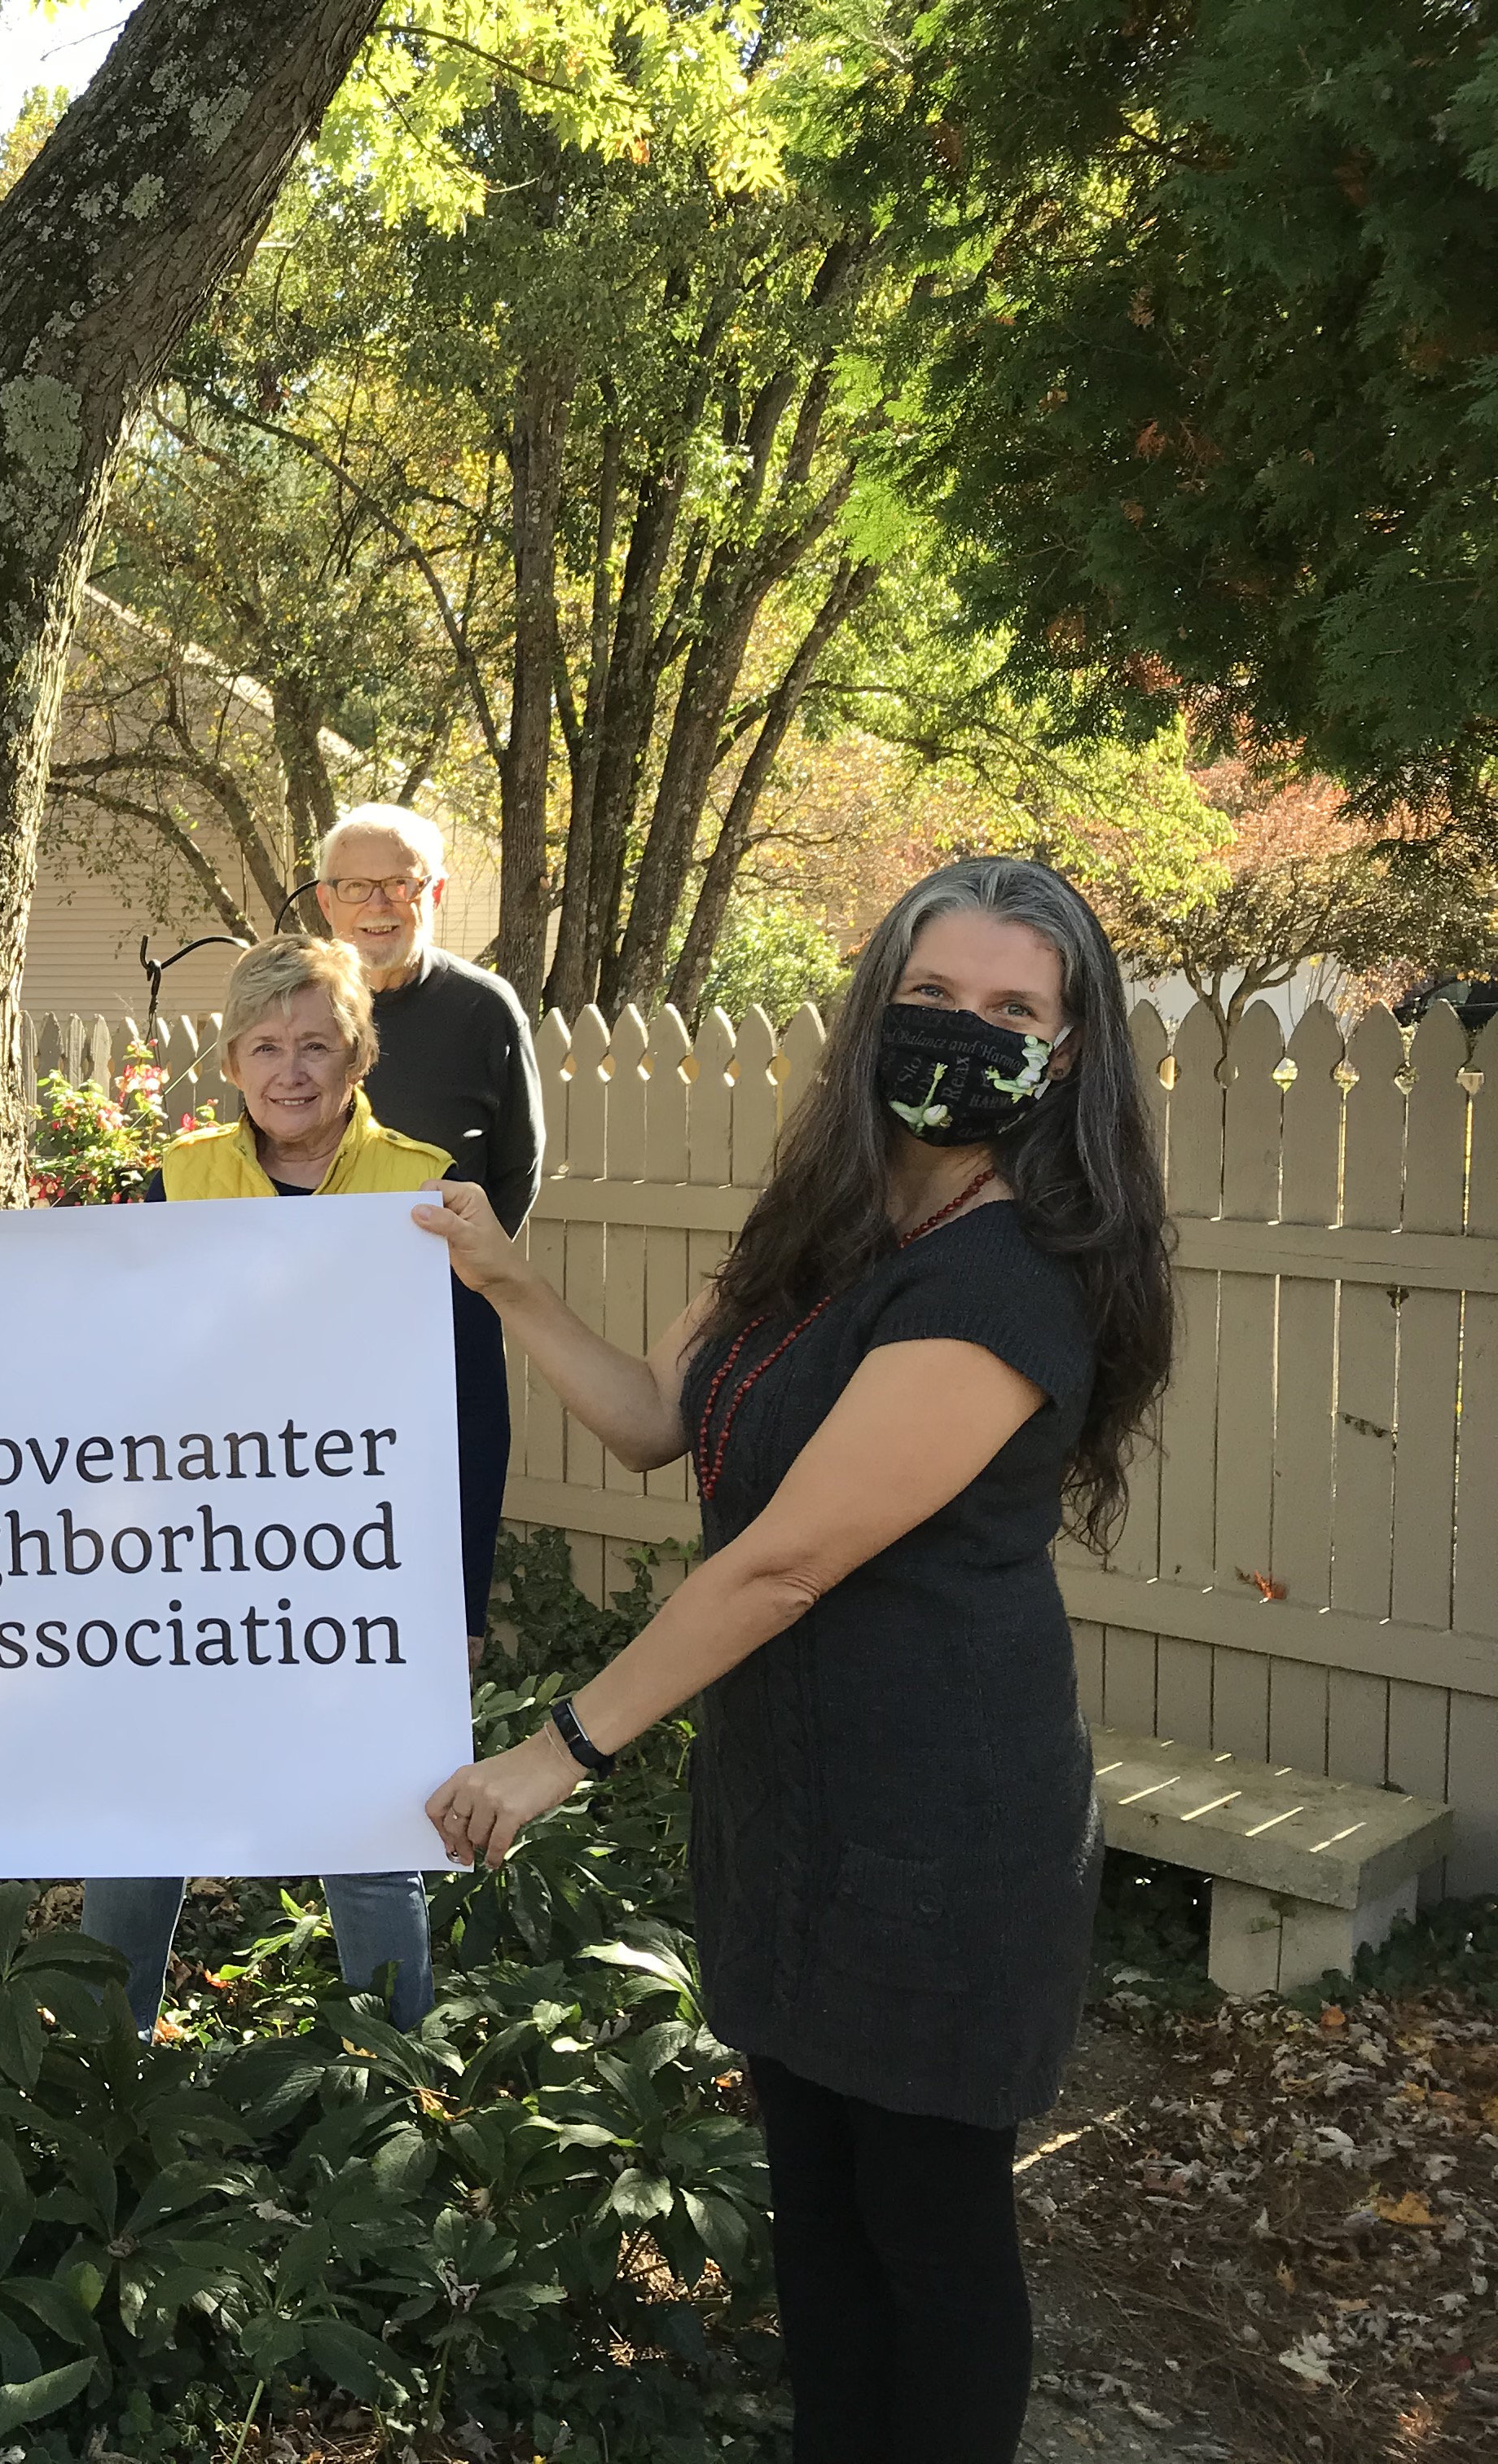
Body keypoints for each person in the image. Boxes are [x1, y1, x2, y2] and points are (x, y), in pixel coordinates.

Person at [416, 857, 1174, 2463]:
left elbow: (783, 1559)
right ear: (875, 1012)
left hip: (942, 1825)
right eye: (933, 998)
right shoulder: (813, 1224)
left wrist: (555, 1754)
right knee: (816, 2205)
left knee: (928, 2224)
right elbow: (650, 1427)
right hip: (789, 1795)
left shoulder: (1013, 1273)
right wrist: (507, 1279)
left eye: (1012, 1010)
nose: (966, 1033)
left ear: (1072, 1051)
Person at [85, 935, 455, 2036]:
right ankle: (112, 2065)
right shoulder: (174, 1180)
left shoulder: (425, 1184)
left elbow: (468, 1405)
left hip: (364, 1556)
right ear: (232, 1061)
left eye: (317, 1045)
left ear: (360, 1056)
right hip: (189, 1551)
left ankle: (390, 2080)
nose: (291, 1071)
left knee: (369, 1818)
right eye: (265, 1046)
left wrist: (463, 1596)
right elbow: (123, 1372)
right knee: (146, 1808)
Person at [310, 803, 541, 1660]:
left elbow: (519, 1166)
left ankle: (454, 1682)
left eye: (399, 883)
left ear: (432, 890)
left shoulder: (484, 1010)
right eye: (356, 886)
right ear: (326, 902)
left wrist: (459, 1279)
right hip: (313, 1329)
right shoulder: (299, 1006)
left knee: (449, 1521)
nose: (380, 903)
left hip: (448, 1320)